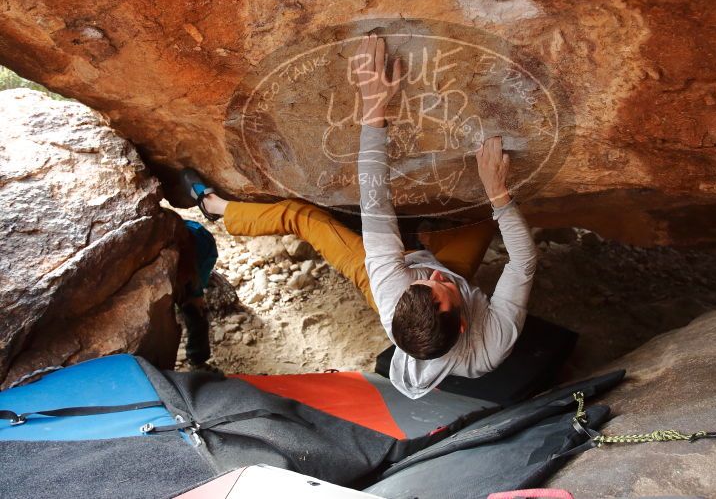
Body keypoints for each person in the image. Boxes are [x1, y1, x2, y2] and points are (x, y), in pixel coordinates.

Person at [183, 34, 536, 398]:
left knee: (303, 216)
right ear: (463, 323)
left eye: (428, 283)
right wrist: (497, 191)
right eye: (438, 286)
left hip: (391, 268)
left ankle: (216, 207)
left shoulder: (389, 289)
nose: (433, 277)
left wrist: (373, 109)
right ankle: (427, 238)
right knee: (488, 214)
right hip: (415, 265)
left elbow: (376, 203)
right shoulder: (490, 343)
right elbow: (523, 262)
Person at [174, 219, 218, 366]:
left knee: (194, 311)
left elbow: (196, 287)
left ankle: (198, 361)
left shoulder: (202, 251)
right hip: (186, 261)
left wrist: (195, 296)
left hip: (199, 257)